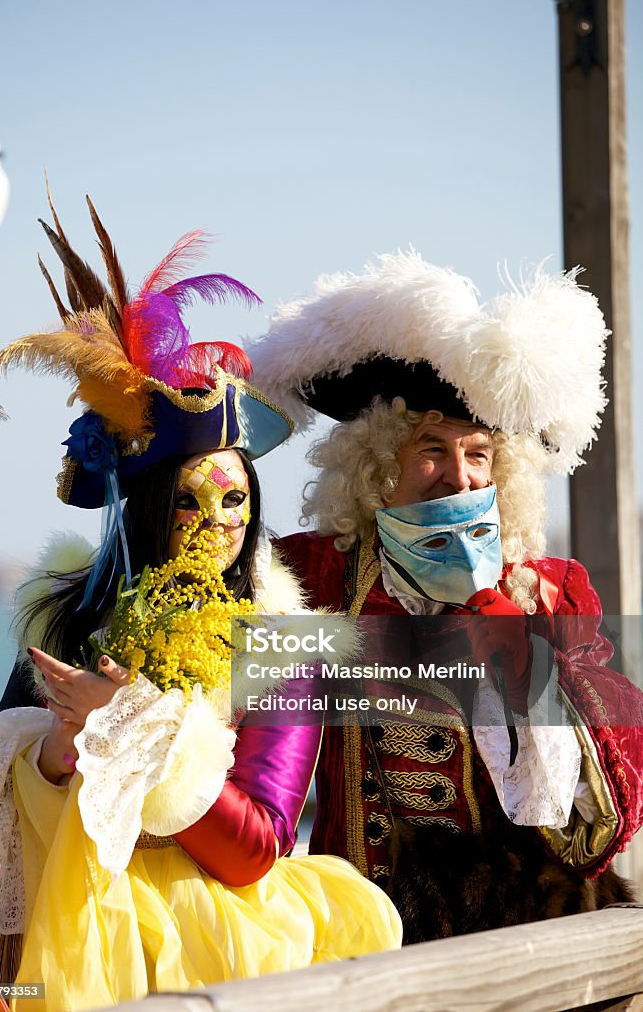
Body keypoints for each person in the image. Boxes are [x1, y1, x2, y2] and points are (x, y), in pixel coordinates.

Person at [0, 199, 401, 1010]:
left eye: (235, 502)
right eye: (190, 503)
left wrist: (135, 728)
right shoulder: (65, 622)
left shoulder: (282, 645)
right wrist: (59, 757)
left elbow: (259, 848)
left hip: (214, 944)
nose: (216, 526)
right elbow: (0, 823)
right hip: (63, 929)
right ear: (147, 510)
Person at [247, 248, 643, 940]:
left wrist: (501, 630)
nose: (457, 476)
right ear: (376, 465)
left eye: (479, 453)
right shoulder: (316, 577)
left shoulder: (549, 592)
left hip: (535, 940)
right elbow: (208, 594)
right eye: (432, 447)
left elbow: (608, 803)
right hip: (367, 936)